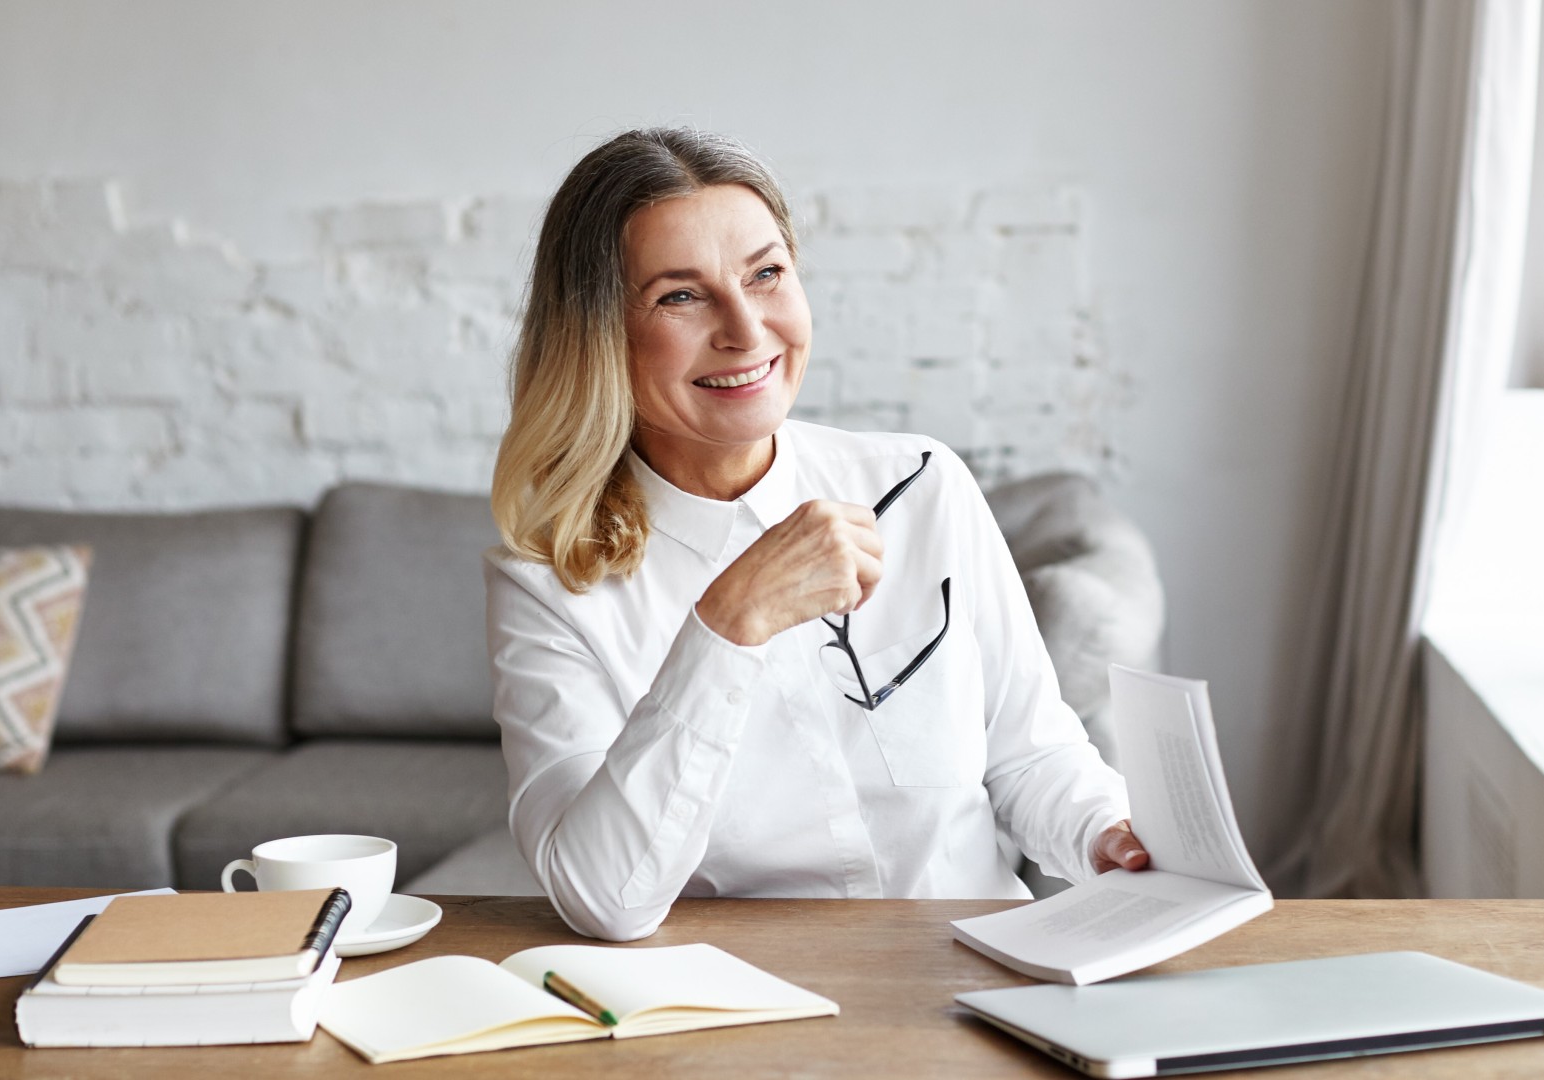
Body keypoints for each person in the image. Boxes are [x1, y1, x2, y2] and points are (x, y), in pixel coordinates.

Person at [485, 128, 1148, 942]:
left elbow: (1031, 754)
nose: (746, 329)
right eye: (680, 296)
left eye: (766, 274)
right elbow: (602, 898)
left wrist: (1110, 837)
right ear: (598, 334)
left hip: (987, 971)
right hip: (760, 1008)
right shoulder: (549, 581)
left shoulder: (923, 484)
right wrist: (725, 625)